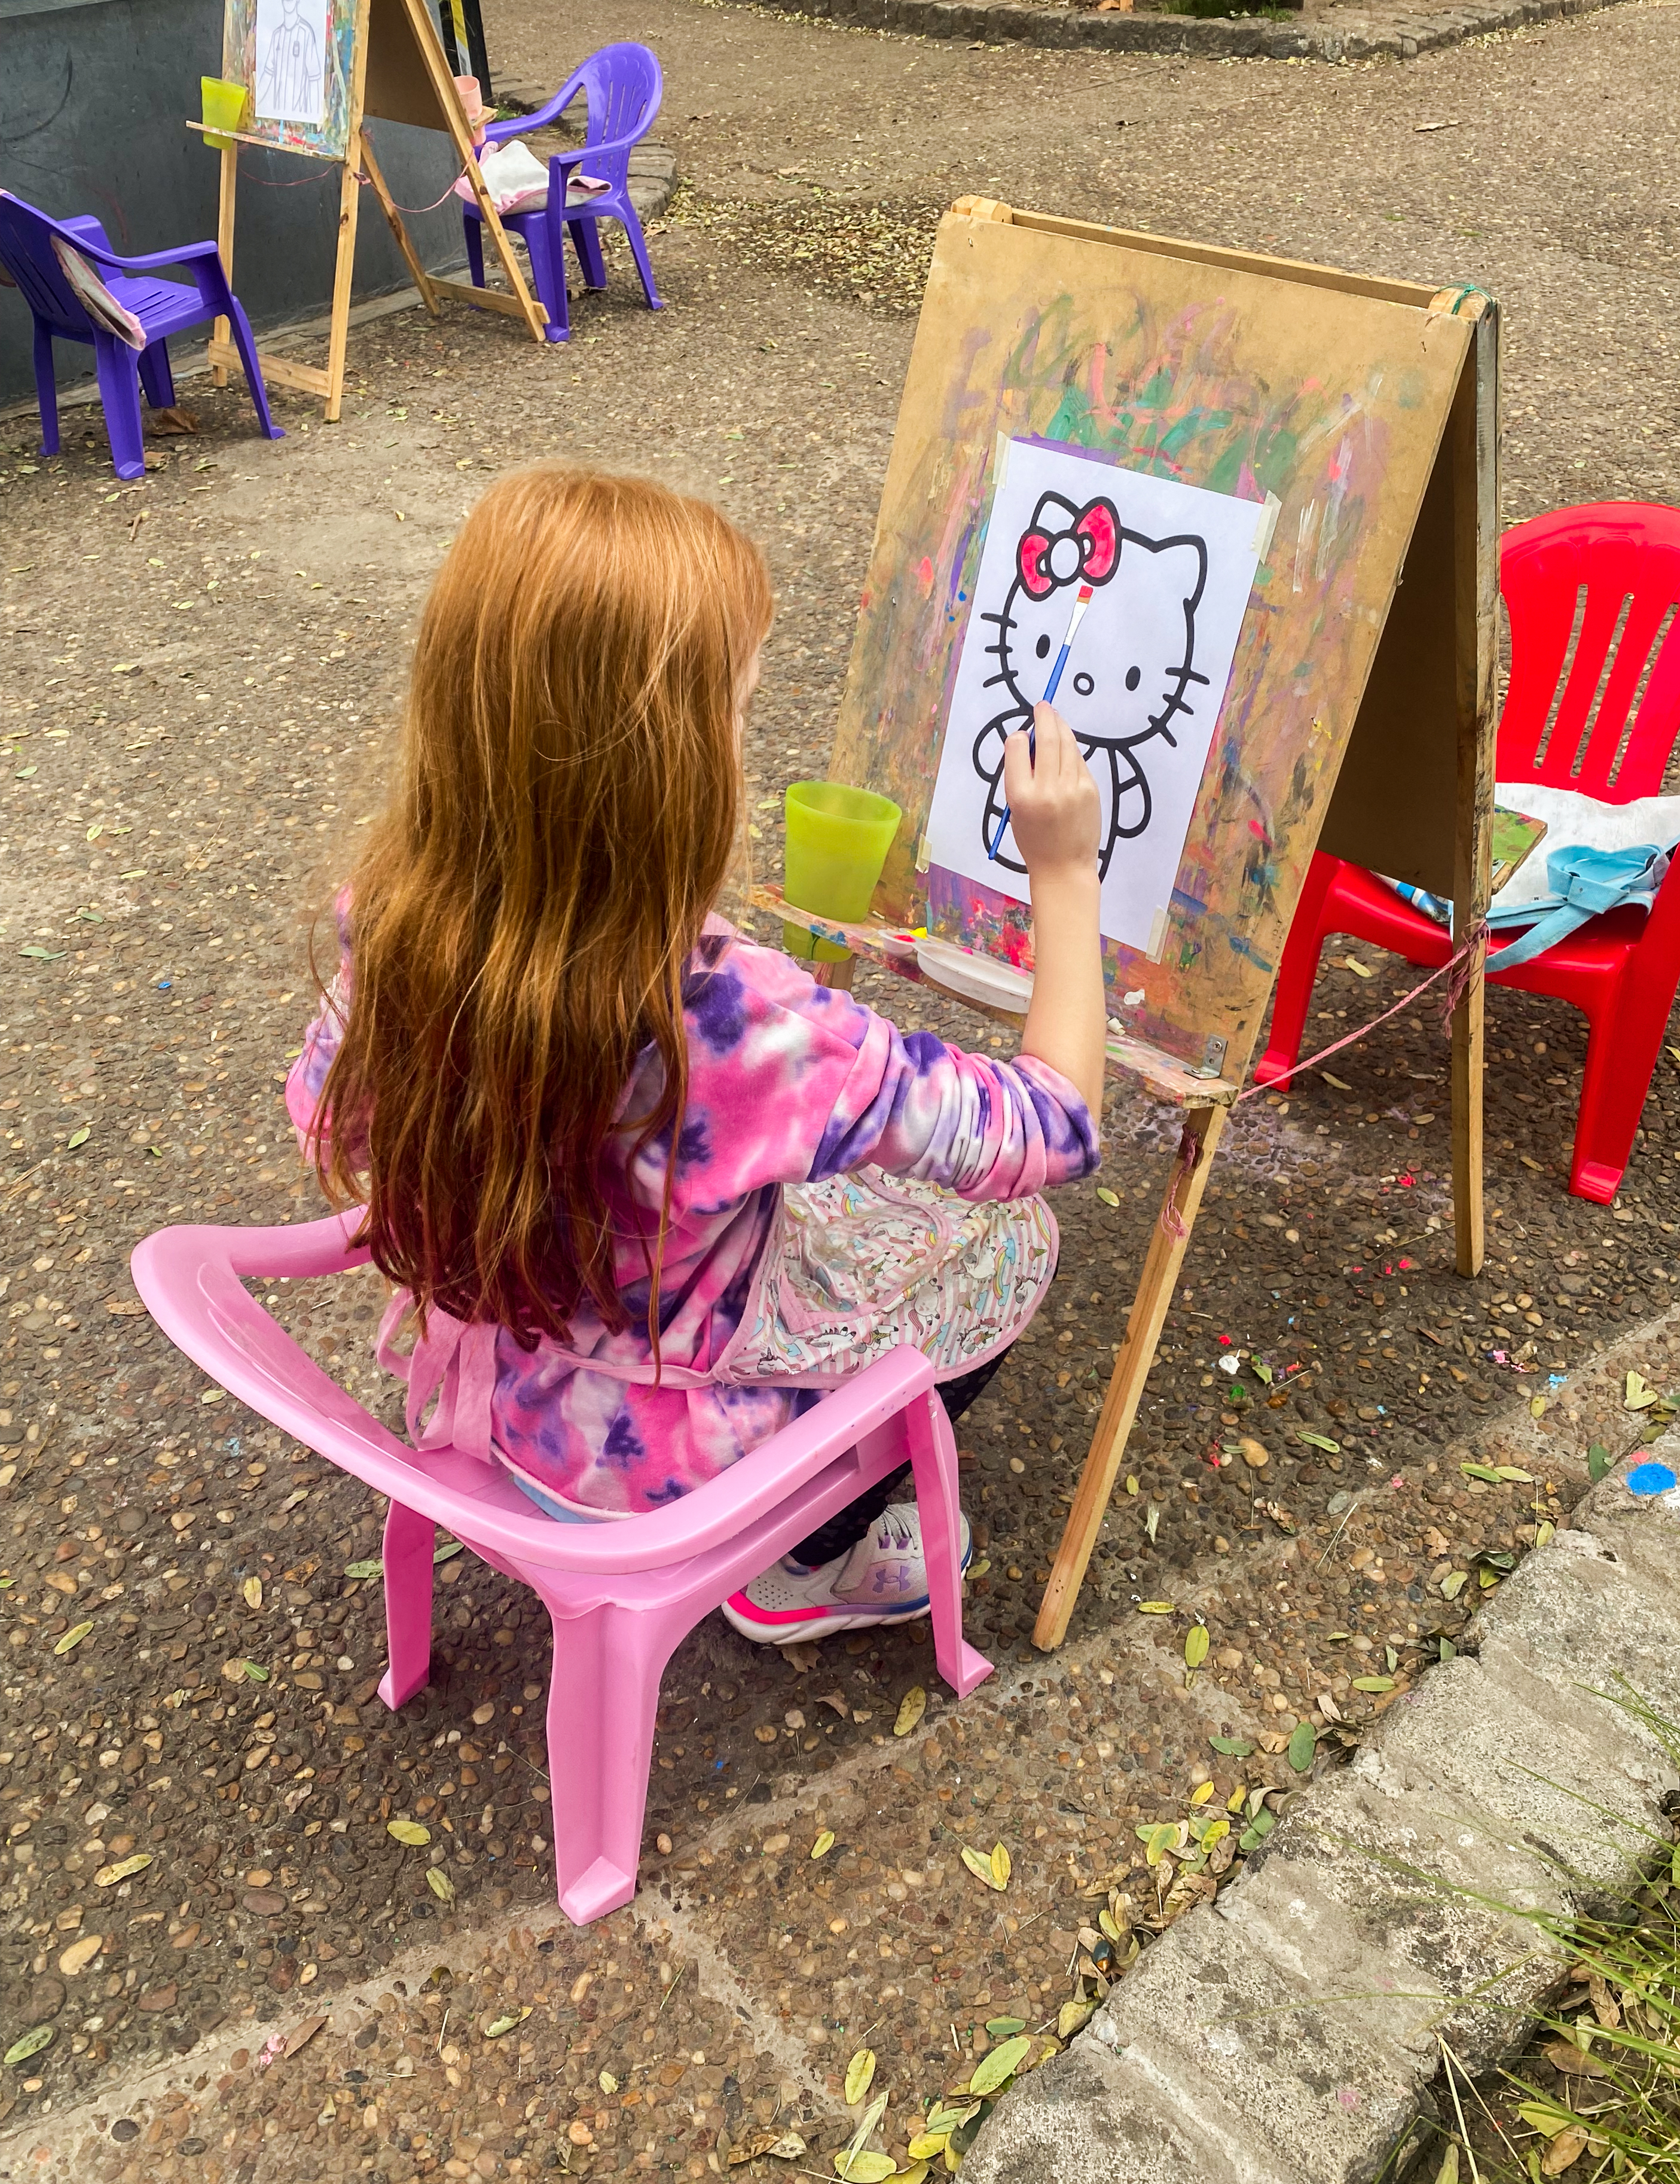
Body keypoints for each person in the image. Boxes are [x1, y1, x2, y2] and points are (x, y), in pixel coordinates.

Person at [289, 466, 1105, 1642]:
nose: (744, 739)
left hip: (482, 1395)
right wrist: (1065, 872)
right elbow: (1052, 1127)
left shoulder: (393, 920)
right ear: (665, 762)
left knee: (843, 1206)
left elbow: (335, 1128)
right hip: (658, 1473)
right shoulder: (733, 1014)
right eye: (738, 707)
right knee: (1013, 1239)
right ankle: (806, 1562)